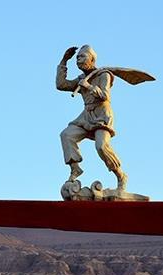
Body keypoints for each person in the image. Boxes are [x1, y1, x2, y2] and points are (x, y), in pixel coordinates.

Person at [56, 45, 128, 191]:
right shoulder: (82, 78)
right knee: (67, 135)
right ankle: (75, 168)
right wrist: (64, 61)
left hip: (102, 115)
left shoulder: (104, 75)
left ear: (92, 59)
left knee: (101, 146)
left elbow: (105, 96)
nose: (78, 60)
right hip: (86, 116)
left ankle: (120, 175)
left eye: (82, 57)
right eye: (77, 58)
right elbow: (61, 85)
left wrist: (88, 87)